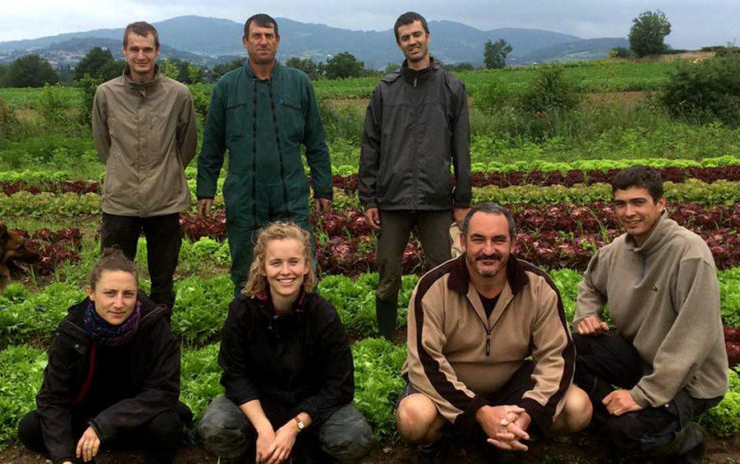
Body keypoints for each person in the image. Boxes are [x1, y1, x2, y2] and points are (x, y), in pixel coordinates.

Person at [396, 203, 591, 462]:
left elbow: (557, 358)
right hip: (451, 387)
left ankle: (511, 433)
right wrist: (479, 412)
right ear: (463, 242)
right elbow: (425, 364)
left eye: (499, 240)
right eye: (478, 240)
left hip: (510, 384)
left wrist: (530, 411)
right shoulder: (433, 288)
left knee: (578, 408)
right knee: (414, 417)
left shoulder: (538, 287)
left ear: (512, 244)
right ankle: (450, 440)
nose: (488, 250)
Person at [572, 166, 728, 463]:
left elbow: (693, 338)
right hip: (644, 362)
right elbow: (590, 285)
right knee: (572, 347)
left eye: (638, 202)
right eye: (620, 203)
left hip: (691, 381)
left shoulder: (689, 253)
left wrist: (640, 396)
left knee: (626, 432)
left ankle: (684, 441)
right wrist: (586, 316)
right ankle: (617, 418)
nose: (628, 212)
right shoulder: (616, 251)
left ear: (660, 204)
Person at [196, 222, 375, 463]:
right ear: (262, 267)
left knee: (354, 437)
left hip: (310, 409)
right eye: (276, 263)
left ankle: (304, 451)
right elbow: (235, 376)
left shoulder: (323, 316)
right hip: (258, 405)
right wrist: (264, 428)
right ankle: (255, 454)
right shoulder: (242, 312)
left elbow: (339, 386)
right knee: (215, 427)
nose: (285, 271)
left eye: (293, 262)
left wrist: (293, 427)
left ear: (305, 267)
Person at [196, 14, 332, 294]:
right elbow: (211, 147)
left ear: (277, 41)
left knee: (301, 267)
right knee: (246, 271)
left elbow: (316, 143)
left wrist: (323, 189)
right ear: (245, 42)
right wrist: (205, 190)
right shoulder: (227, 87)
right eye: (256, 36)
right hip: (244, 195)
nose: (263, 41)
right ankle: (248, 330)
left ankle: (303, 329)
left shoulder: (298, 83)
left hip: (290, 193)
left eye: (269, 36)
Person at [18, 248, 189, 464]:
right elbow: (53, 397)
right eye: (110, 293)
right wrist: (63, 457)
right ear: (91, 292)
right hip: (86, 420)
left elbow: (163, 392)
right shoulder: (72, 329)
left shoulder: (154, 325)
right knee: (31, 427)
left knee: (167, 425)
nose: (119, 304)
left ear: (137, 293)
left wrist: (104, 424)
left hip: (136, 419)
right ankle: (78, 455)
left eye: (128, 294)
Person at [359, 11, 471, 340]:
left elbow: (461, 148)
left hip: (436, 198)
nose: (413, 41)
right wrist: (368, 197)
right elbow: (370, 145)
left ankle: (433, 334)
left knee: (440, 270)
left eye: (417, 34)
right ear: (399, 44)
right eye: (406, 37)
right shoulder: (385, 91)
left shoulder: (451, 87)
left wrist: (462, 199)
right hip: (392, 199)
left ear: (428, 37)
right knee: (388, 271)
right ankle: (384, 338)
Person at [92, 21, 197, 310]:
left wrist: (168, 168)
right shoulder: (106, 93)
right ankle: (118, 332)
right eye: (135, 49)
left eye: (147, 49)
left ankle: (160, 335)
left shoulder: (178, 94)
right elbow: (103, 144)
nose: (141, 56)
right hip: (120, 199)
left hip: (164, 199)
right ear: (124, 50)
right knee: (114, 276)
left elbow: (187, 143)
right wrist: (120, 168)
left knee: (163, 278)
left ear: (157, 51)